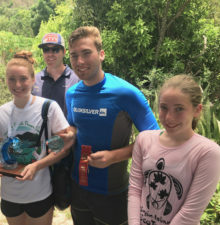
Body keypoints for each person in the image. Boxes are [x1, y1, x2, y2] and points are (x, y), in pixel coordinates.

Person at [66, 26, 160, 225]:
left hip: (113, 192)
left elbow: (156, 140)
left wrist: (113, 157)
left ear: (101, 54)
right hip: (78, 186)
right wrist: (65, 136)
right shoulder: (72, 93)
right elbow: (74, 128)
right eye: (74, 55)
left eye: (86, 53)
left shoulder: (126, 93)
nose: (79, 61)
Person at [0, 50, 75, 225]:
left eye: (23, 79)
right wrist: (0, 162)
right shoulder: (1, 113)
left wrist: (37, 165)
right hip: (9, 194)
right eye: (11, 79)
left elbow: (63, 147)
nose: (17, 84)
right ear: (5, 80)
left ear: (33, 79)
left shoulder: (48, 108)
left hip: (39, 193)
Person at [128, 74, 220, 225]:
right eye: (164, 107)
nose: (169, 117)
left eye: (179, 109)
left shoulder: (208, 152)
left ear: (197, 110)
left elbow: (189, 214)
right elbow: (135, 190)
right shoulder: (143, 139)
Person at [32, 32, 79, 115]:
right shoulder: (34, 80)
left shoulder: (76, 79)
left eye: (55, 49)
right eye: (46, 50)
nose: (50, 54)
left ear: (64, 52)